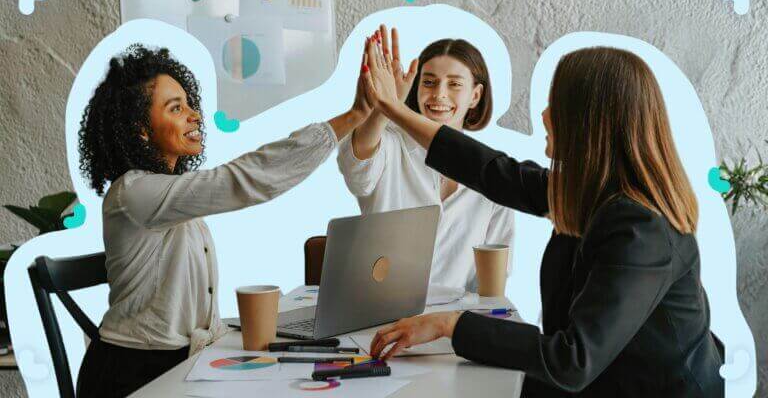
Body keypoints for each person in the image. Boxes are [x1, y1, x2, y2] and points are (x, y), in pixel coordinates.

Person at [360, 37, 724, 396]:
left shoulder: (641, 230)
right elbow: (491, 170)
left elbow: (572, 361)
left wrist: (450, 325)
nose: (544, 115)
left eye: (556, 103)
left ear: (589, 122)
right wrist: (394, 109)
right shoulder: (592, 193)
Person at [75, 44, 373, 397]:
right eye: (176, 108)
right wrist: (354, 115)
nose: (194, 115)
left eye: (189, 103)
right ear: (141, 129)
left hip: (176, 363)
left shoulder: (168, 196)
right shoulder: (134, 192)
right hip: (133, 375)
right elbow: (243, 180)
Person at [337, 25, 514, 292]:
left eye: (454, 84)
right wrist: (386, 106)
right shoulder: (390, 144)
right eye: (429, 82)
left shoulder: (493, 171)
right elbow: (357, 171)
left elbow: (495, 276)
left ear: (475, 95)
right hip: (381, 313)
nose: (439, 94)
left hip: (453, 323)